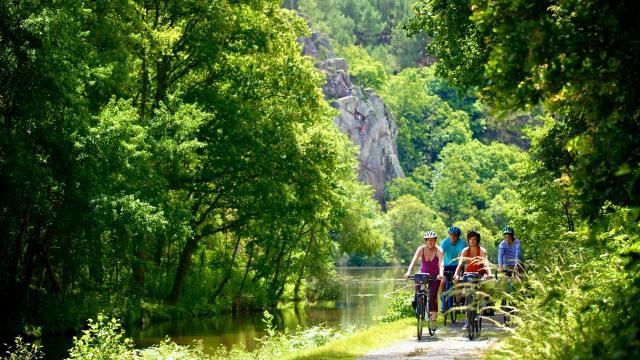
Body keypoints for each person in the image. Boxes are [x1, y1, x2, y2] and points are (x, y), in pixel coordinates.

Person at [454, 230, 492, 330]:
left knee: (482, 287)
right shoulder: (465, 251)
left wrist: (489, 274)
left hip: (480, 273)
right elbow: (460, 264)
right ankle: (467, 320)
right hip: (468, 274)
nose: (472, 241)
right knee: (467, 295)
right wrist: (456, 274)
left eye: (474, 239)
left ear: (477, 240)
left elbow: (486, 264)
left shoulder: (482, 250)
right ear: (468, 240)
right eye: (470, 239)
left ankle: (483, 302)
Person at [404, 231, 444, 323]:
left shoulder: (439, 250)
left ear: (435, 240)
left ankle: (433, 318)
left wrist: (441, 274)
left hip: (435, 276)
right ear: (426, 241)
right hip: (423, 274)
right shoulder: (421, 249)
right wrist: (408, 272)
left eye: (432, 240)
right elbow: (414, 261)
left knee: (433, 295)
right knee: (417, 287)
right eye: (428, 240)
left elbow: (441, 263)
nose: (430, 242)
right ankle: (417, 302)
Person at [439, 226, 466, 309]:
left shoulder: (462, 243)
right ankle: (443, 299)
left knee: (458, 281)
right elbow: (441, 255)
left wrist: (458, 271)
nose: (453, 237)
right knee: (442, 282)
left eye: (455, 235)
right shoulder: (444, 242)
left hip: (457, 265)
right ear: (449, 235)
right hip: (446, 265)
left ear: (458, 236)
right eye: (451, 235)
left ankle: (458, 301)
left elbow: (460, 257)